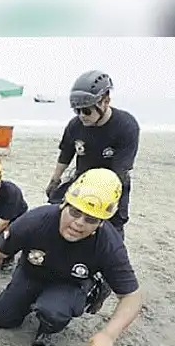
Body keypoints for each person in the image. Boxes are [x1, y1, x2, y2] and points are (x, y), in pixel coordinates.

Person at [0, 169, 144, 346]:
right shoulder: (35, 221)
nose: (79, 223)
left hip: (70, 283)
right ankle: (29, 298)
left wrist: (109, 334)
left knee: (53, 310)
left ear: (100, 223)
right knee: (2, 318)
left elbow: (132, 296)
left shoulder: (109, 243)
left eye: (90, 219)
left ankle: (49, 328)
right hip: (32, 272)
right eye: (75, 212)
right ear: (63, 205)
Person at [45, 70, 140, 240]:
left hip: (114, 181)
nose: (82, 116)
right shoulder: (75, 125)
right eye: (77, 110)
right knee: (56, 210)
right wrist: (54, 181)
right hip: (82, 178)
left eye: (87, 111)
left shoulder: (126, 126)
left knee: (111, 228)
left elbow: (120, 170)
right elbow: (66, 154)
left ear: (106, 101)